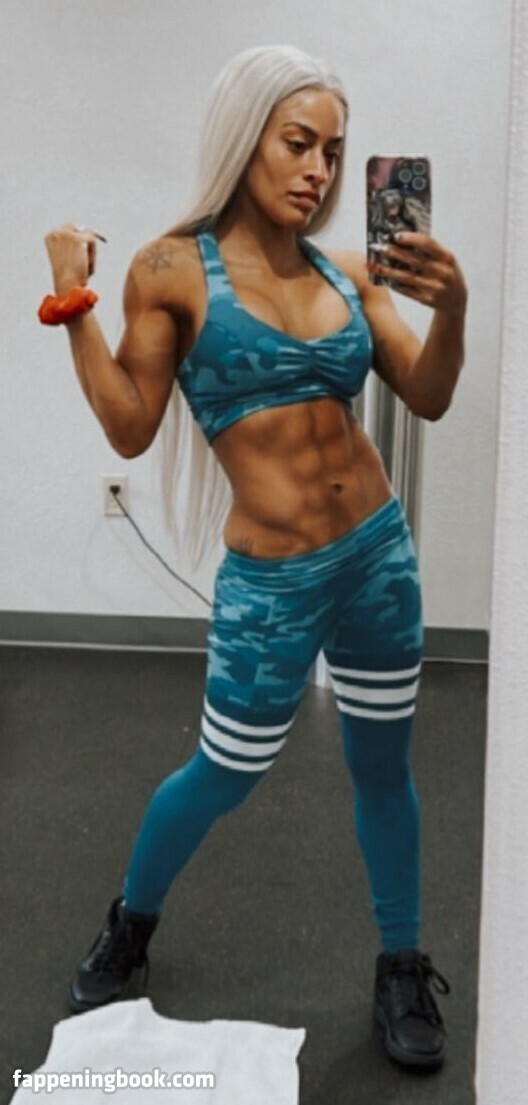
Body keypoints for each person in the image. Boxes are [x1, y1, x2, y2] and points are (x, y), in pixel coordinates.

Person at [41, 45, 467, 1072]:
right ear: (246, 139)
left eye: (335, 152)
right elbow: (130, 426)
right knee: (223, 772)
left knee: (382, 766)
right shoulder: (171, 269)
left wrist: (453, 306)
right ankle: (131, 921)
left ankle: (401, 960)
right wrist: (72, 303)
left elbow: (428, 394)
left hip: (378, 559)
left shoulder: (347, 271)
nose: (319, 170)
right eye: (298, 143)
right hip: (273, 586)